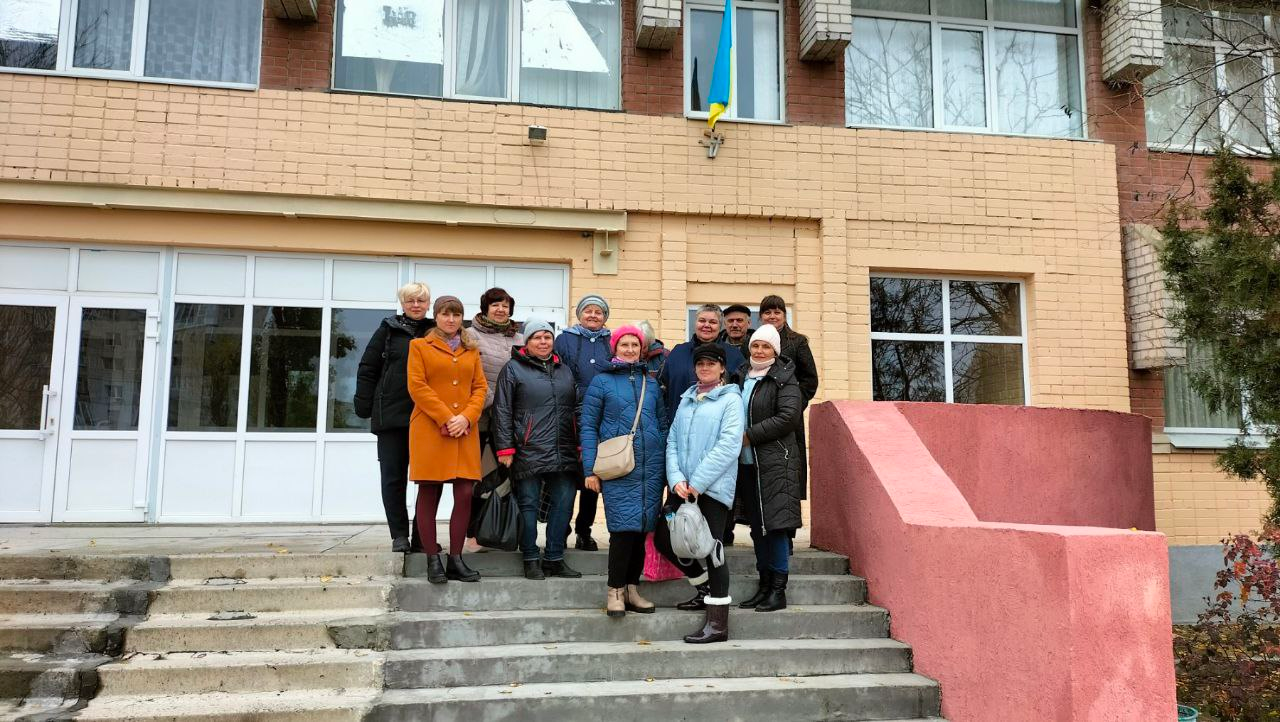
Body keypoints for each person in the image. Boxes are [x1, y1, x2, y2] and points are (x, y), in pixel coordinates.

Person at [655, 344, 744, 644]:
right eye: (700, 364)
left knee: (712, 551)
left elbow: (729, 445)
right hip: (682, 488)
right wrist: (677, 478)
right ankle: (703, 588)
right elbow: (673, 443)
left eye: (711, 364)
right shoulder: (686, 400)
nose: (704, 368)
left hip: (712, 489)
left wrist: (699, 482)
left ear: (722, 369)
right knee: (664, 538)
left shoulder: (731, 400)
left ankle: (717, 624)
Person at [580, 324, 667, 617]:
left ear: (641, 349)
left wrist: (665, 465)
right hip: (619, 467)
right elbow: (589, 427)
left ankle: (632, 588)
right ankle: (614, 590)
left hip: (650, 468)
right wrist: (590, 469)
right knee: (622, 531)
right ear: (614, 348)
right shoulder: (601, 382)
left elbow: (662, 424)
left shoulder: (651, 383)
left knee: (642, 530)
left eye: (634, 345)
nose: (629, 349)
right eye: (623, 344)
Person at [492, 318, 582, 580]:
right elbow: (502, 410)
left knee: (564, 503)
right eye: (537, 337)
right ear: (527, 342)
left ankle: (554, 557)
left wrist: (579, 442)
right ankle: (530, 557)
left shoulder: (564, 369)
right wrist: (505, 448)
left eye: (547, 337)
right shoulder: (512, 369)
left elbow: (576, 407)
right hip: (528, 448)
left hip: (563, 449)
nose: (543, 342)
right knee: (528, 505)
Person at [407, 296, 487, 584]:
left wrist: (466, 417)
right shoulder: (419, 346)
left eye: (456, 314)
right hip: (430, 429)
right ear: (436, 316)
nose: (450, 319)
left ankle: (455, 559)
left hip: (465, 430)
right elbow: (417, 386)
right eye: (445, 314)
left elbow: (480, 387)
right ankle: (433, 559)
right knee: (430, 491)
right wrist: (445, 417)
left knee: (465, 493)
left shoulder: (471, 349)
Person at [353, 282, 434, 553]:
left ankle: (423, 536)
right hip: (391, 416)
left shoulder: (436, 331)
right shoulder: (387, 330)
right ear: (402, 303)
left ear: (428, 303)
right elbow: (368, 368)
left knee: (429, 479)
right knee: (393, 478)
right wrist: (365, 406)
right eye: (411, 300)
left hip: (427, 417)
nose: (416, 305)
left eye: (421, 301)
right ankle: (399, 535)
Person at [733, 325, 804, 612]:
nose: (759, 351)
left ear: (775, 351)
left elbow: (788, 417)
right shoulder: (740, 376)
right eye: (755, 346)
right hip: (747, 466)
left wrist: (750, 435)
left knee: (775, 528)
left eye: (765, 347)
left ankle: (778, 589)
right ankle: (764, 586)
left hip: (775, 464)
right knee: (757, 529)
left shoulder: (785, 379)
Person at [553, 294, 613, 552]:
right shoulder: (564, 339)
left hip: (601, 416)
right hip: (567, 416)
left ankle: (584, 531)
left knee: (593, 475)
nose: (592, 315)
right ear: (579, 315)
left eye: (598, 312)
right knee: (567, 475)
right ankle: (561, 530)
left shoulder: (611, 342)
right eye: (587, 311)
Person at [468, 287, 524, 552]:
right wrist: (494, 401)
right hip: (481, 417)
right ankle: (472, 535)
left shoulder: (520, 338)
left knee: (504, 478)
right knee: (476, 478)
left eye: (505, 306)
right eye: (495, 305)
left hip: (512, 420)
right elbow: (472, 374)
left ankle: (500, 532)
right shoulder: (470, 335)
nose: (500, 310)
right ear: (485, 308)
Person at [758, 295, 818, 502]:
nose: (772, 316)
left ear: (784, 315)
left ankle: (788, 528)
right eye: (767, 312)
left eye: (777, 312)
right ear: (760, 316)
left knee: (789, 469)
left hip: (788, 418)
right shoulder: (754, 342)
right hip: (758, 415)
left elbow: (810, 381)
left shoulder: (797, 342)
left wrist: (792, 407)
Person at [658, 305, 745, 425]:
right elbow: (662, 390)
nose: (706, 325)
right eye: (702, 320)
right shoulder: (677, 353)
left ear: (720, 326)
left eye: (713, 322)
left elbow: (742, 395)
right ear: (695, 323)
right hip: (678, 427)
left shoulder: (734, 356)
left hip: (718, 429)